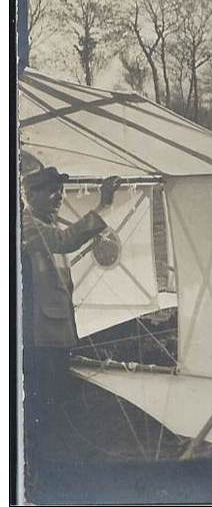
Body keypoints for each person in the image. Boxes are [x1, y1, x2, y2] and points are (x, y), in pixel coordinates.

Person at [21, 167, 121, 457]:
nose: (59, 197)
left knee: (55, 400)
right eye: (51, 191)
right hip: (37, 335)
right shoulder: (26, 224)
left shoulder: (43, 225)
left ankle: (50, 456)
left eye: (61, 191)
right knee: (44, 401)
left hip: (53, 332)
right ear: (30, 196)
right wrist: (104, 205)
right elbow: (63, 240)